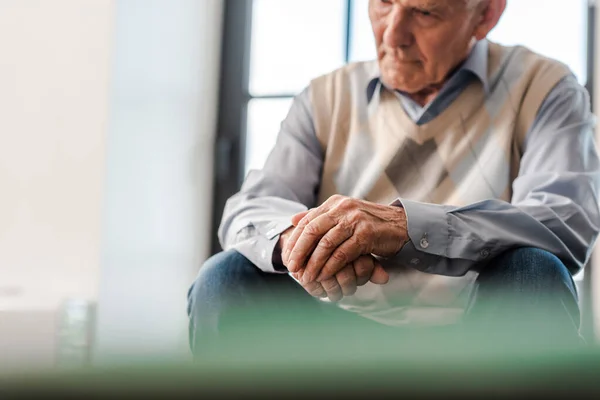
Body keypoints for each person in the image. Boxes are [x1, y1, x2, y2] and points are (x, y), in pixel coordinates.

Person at [188, 0, 600, 359]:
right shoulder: (325, 96)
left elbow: (562, 221)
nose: (393, 33)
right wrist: (307, 243)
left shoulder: (544, 88)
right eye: (384, 2)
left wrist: (406, 228)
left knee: (534, 270)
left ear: (485, 14)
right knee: (225, 276)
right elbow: (251, 209)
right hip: (333, 330)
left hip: (475, 331)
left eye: (424, 12)